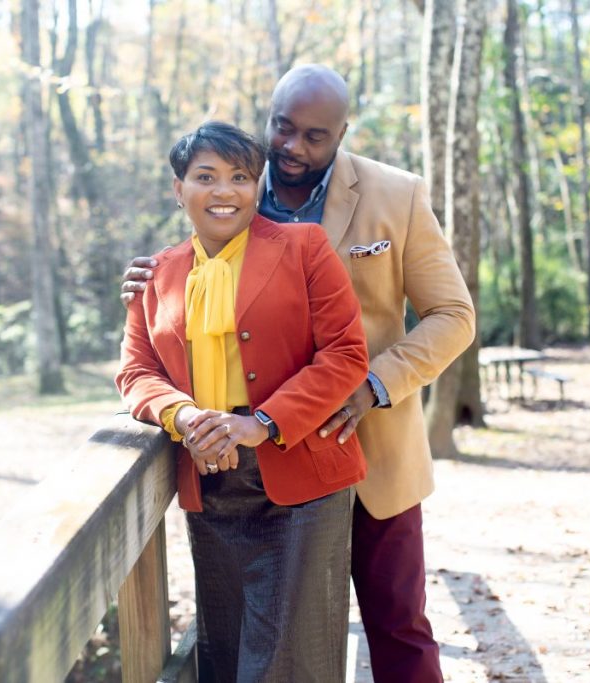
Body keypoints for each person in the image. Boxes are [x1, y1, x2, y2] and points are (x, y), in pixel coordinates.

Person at [122, 66, 476, 683]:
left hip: (372, 440)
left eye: (315, 136)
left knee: (397, 623)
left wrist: (374, 386)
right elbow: (182, 319)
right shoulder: (234, 186)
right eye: (282, 128)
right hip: (250, 461)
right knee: (271, 635)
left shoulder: (397, 196)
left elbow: (453, 315)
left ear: (342, 132)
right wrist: (145, 290)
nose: (293, 147)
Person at [115, 121, 370, 682]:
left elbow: (346, 354)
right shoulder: (156, 275)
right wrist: (184, 417)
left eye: (240, 177)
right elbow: (136, 371)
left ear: (257, 187)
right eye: (205, 177)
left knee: (288, 660)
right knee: (226, 654)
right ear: (178, 188)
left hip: (299, 480)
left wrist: (261, 423)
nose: (224, 191)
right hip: (210, 481)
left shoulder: (304, 247)